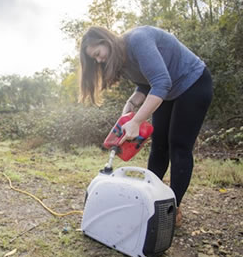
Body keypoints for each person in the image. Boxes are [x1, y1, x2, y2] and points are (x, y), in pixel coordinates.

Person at [79, 25, 213, 227]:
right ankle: (151, 201)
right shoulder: (121, 60)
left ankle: (171, 210)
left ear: (106, 41)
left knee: (178, 145)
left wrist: (137, 121)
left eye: (98, 54)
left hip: (193, 83)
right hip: (167, 89)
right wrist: (130, 107)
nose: (99, 60)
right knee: (159, 146)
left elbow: (161, 82)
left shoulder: (138, 40)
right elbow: (145, 83)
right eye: (94, 59)